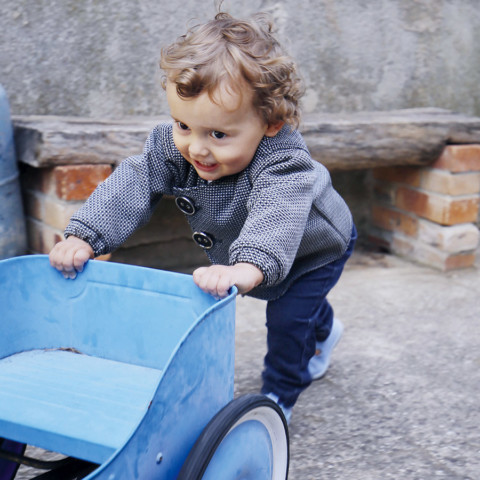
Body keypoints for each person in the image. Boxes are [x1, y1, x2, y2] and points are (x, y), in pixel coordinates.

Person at [49, 11, 356, 423]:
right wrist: (86, 236)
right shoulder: (177, 149)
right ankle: (325, 327)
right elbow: (134, 182)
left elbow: (277, 212)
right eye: (183, 125)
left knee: (288, 320)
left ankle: (278, 399)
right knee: (301, 310)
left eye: (218, 134)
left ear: (271, 122)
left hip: (315, 249)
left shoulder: (284, 164)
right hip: (263, 255)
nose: (196, 148)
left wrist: (247, 265)